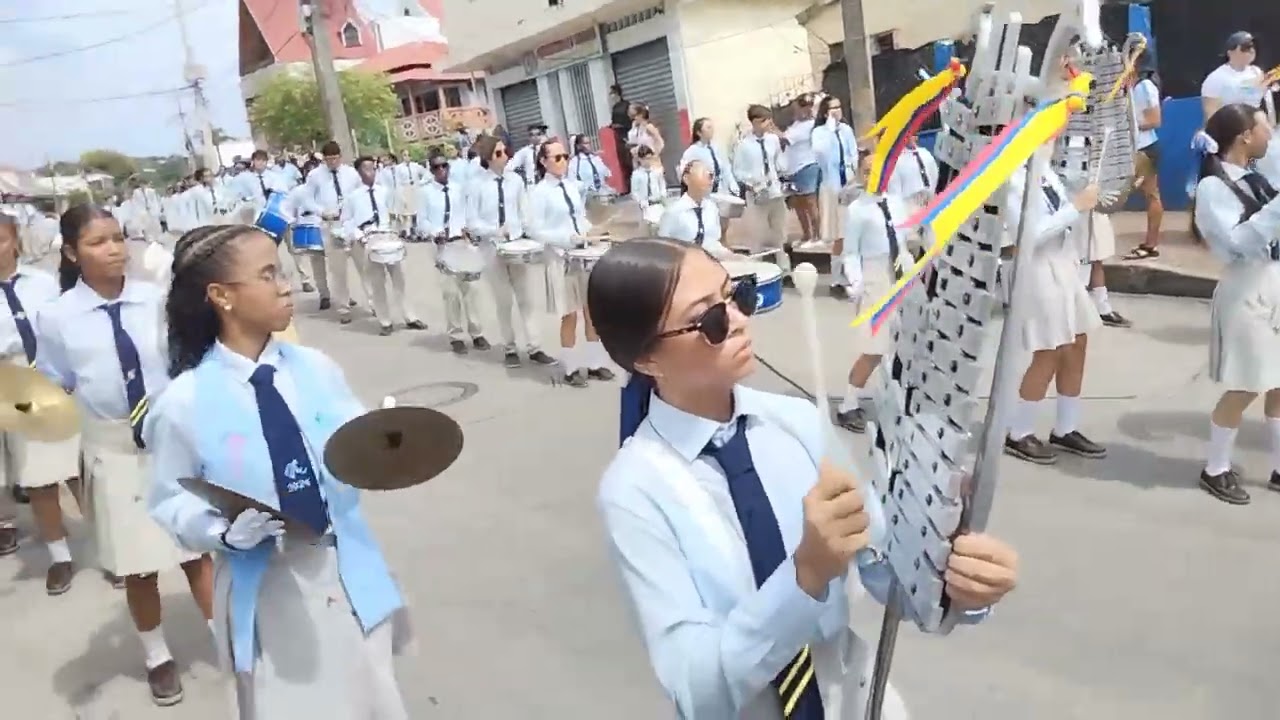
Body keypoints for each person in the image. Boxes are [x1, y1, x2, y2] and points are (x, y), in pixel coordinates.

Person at [589, 237, 1019, 718]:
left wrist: (954, 574)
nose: (739, 321)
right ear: (647, 360)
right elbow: (699, 691)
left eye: (737, 296)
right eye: (709, 320)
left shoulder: (794, 423)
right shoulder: (634, 491)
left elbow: (887, 573)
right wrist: (805, 576)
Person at [146, 224, 412, 718]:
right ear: (221, 296)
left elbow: (349, 447)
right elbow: (168, 499)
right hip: (271, 588)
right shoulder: (184, 403)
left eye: (282, 271)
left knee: (372, 699)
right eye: (268, 275)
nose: (285, 285)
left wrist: (383, 439)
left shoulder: (316, 368)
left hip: (349, 574)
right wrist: (221, 531)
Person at [38, 203, 213, 706]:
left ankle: (227, 635)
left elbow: (185, 362)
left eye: (118, 238)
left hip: (171, 441)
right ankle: (156, 654)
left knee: (196, 553)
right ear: (72, 252)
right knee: (138, 566)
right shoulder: (59, 317)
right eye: (97, 242)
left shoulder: (155, 300)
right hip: (113, 448)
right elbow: (54, 382)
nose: (114, 249)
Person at [1191, 104, 1280, 505]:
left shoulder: (1256, 177)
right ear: (1245, 135)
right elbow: (1237, 244)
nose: (1269, 135)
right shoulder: (1213, 188)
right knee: (1246, 384)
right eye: (1265, 128)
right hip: (1246, 290)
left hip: (1274, 284)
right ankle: (1215, 468)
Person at [1001, 163, 1105, 465]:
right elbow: (1028, 234)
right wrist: (1075, 206)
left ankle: (1066, 427)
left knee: (1077, 342)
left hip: (1064, 262)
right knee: (1051, 348)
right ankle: (1020, 432)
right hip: (1037, 268)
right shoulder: (1009, 179)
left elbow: (1061, 215)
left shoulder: (1043, 169)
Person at [0, 213, 83, 595]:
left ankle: (112, 545)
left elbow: (65, 327)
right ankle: (59, 555)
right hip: (14, 380)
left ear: (14, 240)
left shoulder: (42, 283)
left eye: (1, 239)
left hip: (57, 374)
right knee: (40, 478)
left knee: (81, 468)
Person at [834, 154, 914, 432]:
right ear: (860, 174)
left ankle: (896, 402)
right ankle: (847, 404)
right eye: (867, 171)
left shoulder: (896, 202)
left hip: (901, 273)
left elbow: (905, 238)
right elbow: (851, 252)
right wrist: (856, 282)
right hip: (875, 275)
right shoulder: (858, 209)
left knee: (903, 344)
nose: (873, 177)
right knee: (874, 348)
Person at [527, 139, 614, 387]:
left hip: (582, 254)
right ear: (543, 162)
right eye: (557, 157)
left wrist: (592, 232)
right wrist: (567, 239)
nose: (563, 161)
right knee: (569, 314)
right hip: (559, 257)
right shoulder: (539, 192)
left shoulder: (573, 186)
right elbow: (535, 230)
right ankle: (570, 368)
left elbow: (579, 218)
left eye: (565, 156)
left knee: (591, 311)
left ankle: (595, 363)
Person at [467, 135, 555, 369]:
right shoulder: (476, 185)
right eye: (498, 153)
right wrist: (494, 231)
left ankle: (535, 347)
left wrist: (532, 235)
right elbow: (472, 222)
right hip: (491, 249)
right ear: (487, 158)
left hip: (516, 246)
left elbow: (525, 213)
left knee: (526, 299)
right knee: (503, 301)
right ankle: (510, 348)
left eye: (505, 151)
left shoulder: (515, 180)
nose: (504, 156)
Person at [342, 156, 424, 336]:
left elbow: (395, 213)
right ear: (359, 172)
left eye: (373, 168)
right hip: (369, 239)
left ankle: (410, 317)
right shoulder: (353, 197)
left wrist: (397, 230)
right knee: (377, 283)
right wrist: (359, 236)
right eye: (366, 169)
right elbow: (347, 221)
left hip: (388, 237)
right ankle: (385, 321)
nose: (370, 173)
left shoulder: (384, 192)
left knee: (399, 280)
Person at [420, 152, 484, 351]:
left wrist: (472, 232)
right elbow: (422, 222)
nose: (441, 170)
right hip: (443, 246)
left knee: (471, 291)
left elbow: (470, 214)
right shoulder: (426, 193)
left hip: (462, 243)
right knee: (451, 293)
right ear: (431, 171)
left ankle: (477, 333)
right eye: (436, 167)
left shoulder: (459, 189)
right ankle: (455, 335)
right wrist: (434, 232)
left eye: (444, 166)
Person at [303, 140, 371, 320]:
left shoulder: (350, 173)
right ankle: (343, 308)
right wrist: (322, 212)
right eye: (329, 159)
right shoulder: (315, 176)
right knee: (338, 271)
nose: (333, 162)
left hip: (352, 225)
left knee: (365, 267)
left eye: (335, 158)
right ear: (323, 159)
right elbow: (308, 199)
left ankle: (374, 303)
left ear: (340, 157)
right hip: (331, 226)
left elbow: (361, 195)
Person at [732, 104, 790, 274]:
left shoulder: (772, 140)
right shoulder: (744, 145)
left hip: (775, 190)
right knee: (757, 234)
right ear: (755, 122)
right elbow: (738, 171)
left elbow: (779, 161)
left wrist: (782, 170)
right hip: (757, 192)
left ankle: (784, 268)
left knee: (779, 232)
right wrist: (752, 183)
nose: (767, 124)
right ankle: (756, 270)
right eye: (764, 121)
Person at [1122, 59, 1165, 260]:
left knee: (1151, 195)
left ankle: (1151, 244)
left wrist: (1129, 123)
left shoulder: (1145, 87)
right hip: (1134, 146)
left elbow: (1155, 120)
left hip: (1144, 148)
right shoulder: (1132, 86)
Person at [679, 118, 740, 235]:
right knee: (710, 225)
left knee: (724, 224)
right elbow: (685, 171)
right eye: (708, 127)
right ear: (699, 132)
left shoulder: (716, 148)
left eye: (712, 127)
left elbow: (725, 167)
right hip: (706, 193)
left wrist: (732, 184)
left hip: (721, 191)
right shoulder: (692, 151)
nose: (712, 130)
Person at [659, 161, 731, 259]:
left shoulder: (712, 208)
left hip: (713, 261)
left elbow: (714, 242)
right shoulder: (674, 211)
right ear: (686, 179)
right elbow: (663, 247)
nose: (709, 179)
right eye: (703, 174)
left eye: (710, 175)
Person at [783, 93, 822, 245]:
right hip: (794, 169)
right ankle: (806, 235)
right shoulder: (795, 124)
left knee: (810, 203)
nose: (797, 112)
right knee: (798, 204)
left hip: (806, 166)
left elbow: (785, 139)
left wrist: (770, 128)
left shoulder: (810, 125)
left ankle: (817, 236)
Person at [631, 145, 668, 233]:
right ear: (640, 159)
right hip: (646, 205)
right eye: (645, 159)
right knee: (650, 228)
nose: (648, 161)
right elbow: (634, 192)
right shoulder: (636, 174)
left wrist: (663, 195)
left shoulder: (656, 172)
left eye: (649, 158)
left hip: (658, 203)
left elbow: (661, 184)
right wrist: (640, 201)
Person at [569, 133, 612, 200]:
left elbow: (607, 174)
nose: (588, 145)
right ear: (578, 146)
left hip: (602, 195)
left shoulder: (595, 158)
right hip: (587, 198)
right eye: (585, 143)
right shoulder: (574, 163)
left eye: (589, 143)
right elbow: (571, 182)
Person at [608, 84, 635, 193]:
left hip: (627, 136)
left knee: (630, 161)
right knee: (623, 163)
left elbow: (631, 121)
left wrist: (622, 127)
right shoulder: (615, 107)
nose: (611, 96)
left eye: (613, 94)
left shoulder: (627, 105)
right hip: (618, 137)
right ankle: (628, 187)